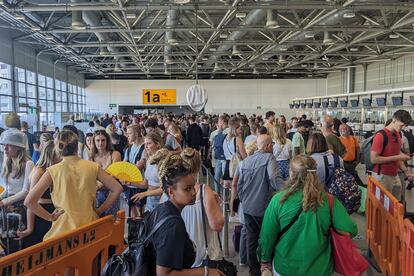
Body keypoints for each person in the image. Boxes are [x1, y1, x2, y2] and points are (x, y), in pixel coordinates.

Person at [258, 155, 357, 276]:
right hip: (320, 269)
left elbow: (267, 236)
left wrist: (264, 259)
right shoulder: (329, 201)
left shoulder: (278, 200)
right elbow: (349, 230)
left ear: (291, 173)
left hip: (285, 267)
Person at [24, 130, 123, 241]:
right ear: (77, 147)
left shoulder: (52, 171)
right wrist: (99, 210)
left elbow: (29, 201)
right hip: (89, 226)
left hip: (63, 229)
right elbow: (117, 188)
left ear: (57, 148)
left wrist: (50, 217)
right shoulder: (93, 167)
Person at [144, 148, 224, 276]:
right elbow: (164, 274)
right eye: (187, 189)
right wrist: (205, 272)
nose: (193, 192)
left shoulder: (161, 209)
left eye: (193, 187)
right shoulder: (173, 225)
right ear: (171, 191)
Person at [235, 134, 284, 276]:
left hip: (248, 208)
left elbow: (239, 186)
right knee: (269, 238)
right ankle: (268, 268)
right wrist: (288, 189)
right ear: (268, 146)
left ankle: (254, 271)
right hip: (265, 208)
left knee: (251, 239)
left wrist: (245, 201)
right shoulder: (269, 158)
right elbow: (274, 179)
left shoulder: (245, 161)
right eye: (272, 145)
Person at [180, 148, 224, 267]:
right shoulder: (204, 191)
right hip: (202, 253)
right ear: (199, 166)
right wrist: (217, 205)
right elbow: (217, 224)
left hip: (181, 253)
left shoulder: (172, 190)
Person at [17, 141, 60, 248]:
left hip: (52, 211)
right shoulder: (39, 172)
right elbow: (30, 203)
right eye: (60, 154)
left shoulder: (55, 170)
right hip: (41, 214)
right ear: (52, 154)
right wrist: (30, 229)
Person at [0, 129, 34, 254]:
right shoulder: (7, 161)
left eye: (9, 145)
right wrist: (2, 198)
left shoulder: (28, 164)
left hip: (21, 207)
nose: (5, 148)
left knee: (16, 241)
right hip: (7, 205)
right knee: (5, 240)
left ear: (19, 147)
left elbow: (26, 191)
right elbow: (8, 189)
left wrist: (4, 201)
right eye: (4, 145)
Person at [371, 110, 414, 200]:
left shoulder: (397, 134)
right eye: (401, 125)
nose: (403, 128)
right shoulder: (380, 135)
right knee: (382, 206)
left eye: (405, 126)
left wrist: (406, 172)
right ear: (394, 120)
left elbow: (397, 153)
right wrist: (398, 157)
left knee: (395, 204)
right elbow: (374, 159)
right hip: (381, 175)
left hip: (394, 174)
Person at [90, 130, 122, 216]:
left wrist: (98, 185)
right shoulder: (91, 157)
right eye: (98, 140)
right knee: (96, 221)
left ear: (107, 141)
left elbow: (114, 175)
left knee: (112, 220)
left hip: (112, 192)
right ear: (94, 142)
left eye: (103, 140)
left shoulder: (115, 154)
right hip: (96, 194)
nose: (100, 143)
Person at [130, 133, 165, 212]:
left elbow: (166, 188)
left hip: (162, 201)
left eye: (149, 143)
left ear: (158, 145)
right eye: (145, 144)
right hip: (150, 201)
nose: (146, 146)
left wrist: (145, 194)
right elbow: (145, 184)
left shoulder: (163, 161)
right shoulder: (149, 160)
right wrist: (130, 183)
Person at [223, 117, 247, 188]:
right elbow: (244, 156)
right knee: (238, 189)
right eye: (239, 127)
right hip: (236, 165)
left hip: (228, 166)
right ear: (235, 128)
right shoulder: (238, 140)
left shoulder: (225, 139)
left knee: (231, 190)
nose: (241, 129)